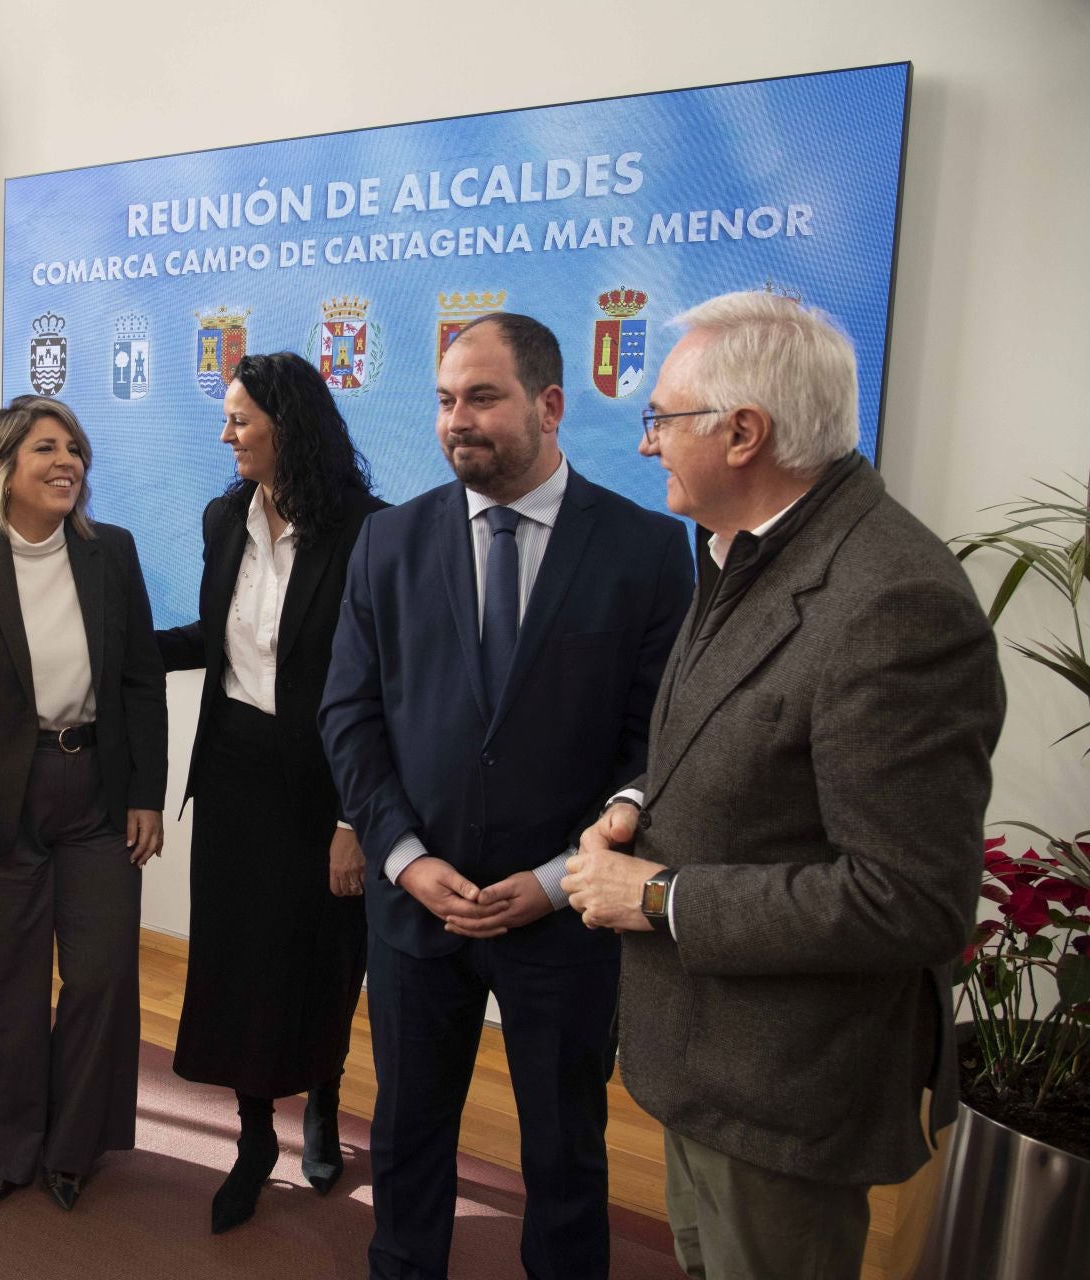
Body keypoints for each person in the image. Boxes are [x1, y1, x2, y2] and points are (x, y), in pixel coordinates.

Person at [562, 290, 1005, 1280]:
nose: (647, 446)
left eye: (662, 420)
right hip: (708, 1065)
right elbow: (742, 732)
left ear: (745, 432)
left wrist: (657, 894)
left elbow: (912, 899)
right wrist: (640, 800)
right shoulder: (741, 552)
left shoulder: (892, 600)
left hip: (783, 1094)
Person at [319, 313, 694, 1279]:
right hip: (419, 909)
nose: (457, 421)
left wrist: (560, 879)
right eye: (446, 400)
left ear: (550, 405)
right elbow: (351, 718)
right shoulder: (388, 544)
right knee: (406, 1138)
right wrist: (404, 857)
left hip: (563, 918)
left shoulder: (648, 551)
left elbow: (657, 741)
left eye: (482, 397)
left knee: (565, 1152)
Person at [0, 395, 166, 1211]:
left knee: (100, 974)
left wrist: (146, 795)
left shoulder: (110, 554)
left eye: (75, 450)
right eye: (47, 449)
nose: (67, 463)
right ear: (2, 466)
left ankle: (72, 1146)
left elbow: (139, 682)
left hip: (93, 793)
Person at [154, 351, 384, 1233]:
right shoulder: (223, 518)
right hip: (236, 775)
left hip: (325, 783)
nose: (226, 435)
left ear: (288, 425)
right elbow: (217, 639)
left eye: (241, 419)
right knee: (239, 959)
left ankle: (322, 1102)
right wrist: (109, 646)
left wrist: (352, 816)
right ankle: (253, 1138)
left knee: (323, 957)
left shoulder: (368, 529)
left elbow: (382, 684)